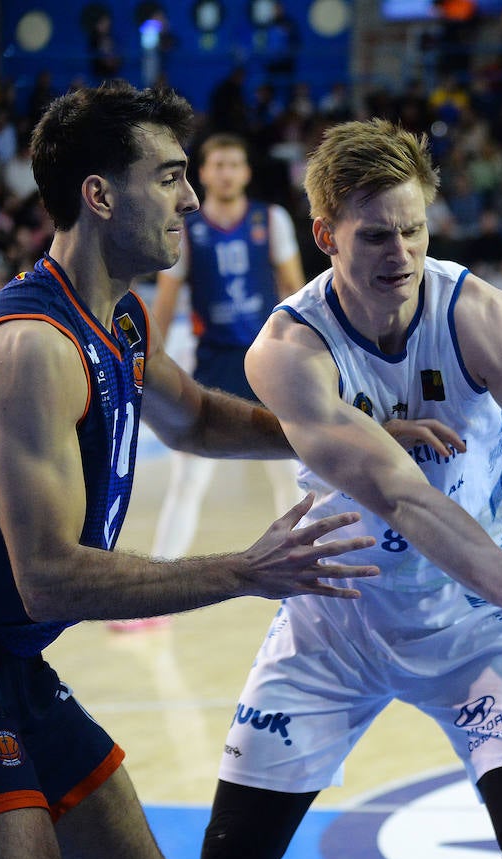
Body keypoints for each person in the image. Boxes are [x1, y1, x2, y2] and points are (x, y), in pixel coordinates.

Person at [0, 82, 377, 859]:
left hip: (5, 654)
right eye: (170, 175)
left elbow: (200, 419)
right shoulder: (31, 350)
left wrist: (343, 433)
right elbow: (49, 575)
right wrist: (249, 569)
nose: (190, 196)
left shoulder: (117, 317)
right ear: (100, 195)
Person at [197, 119, 502, 859]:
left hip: (482, 619)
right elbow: (399, 493)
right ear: (325, 232)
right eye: (374, 236)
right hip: (337, 622)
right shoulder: (286, 349)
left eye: (414, 229)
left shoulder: (482, 313)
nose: (400, 255)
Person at [112, 133, 306, 631]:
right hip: (214, 365)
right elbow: (167, 299)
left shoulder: (271, 220)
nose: (225, 172)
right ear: (205, 172)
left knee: (291, 478)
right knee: (187, 484)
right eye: (216, 164)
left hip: (268, 363)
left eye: (233, 164)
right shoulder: (187, 226)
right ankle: (152, 603)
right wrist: (144, 357)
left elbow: (296, 291)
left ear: (244, 172)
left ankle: (307, 583)